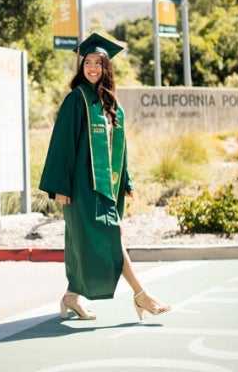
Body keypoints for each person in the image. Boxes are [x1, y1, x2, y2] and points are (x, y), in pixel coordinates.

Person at [39, 33, 171, 321]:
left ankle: (71, 298)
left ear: (107, 68)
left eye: (99, 63)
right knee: (110, 237)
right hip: (81, 187)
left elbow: (118, 149)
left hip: (107, 187)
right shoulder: (77, 100)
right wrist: (60, 185)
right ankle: (141, 295)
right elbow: (62, 143)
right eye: (88, 62)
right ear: (81, 66)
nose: (93, 68)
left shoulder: (112, 105)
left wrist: (126, 181)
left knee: (86, 243)